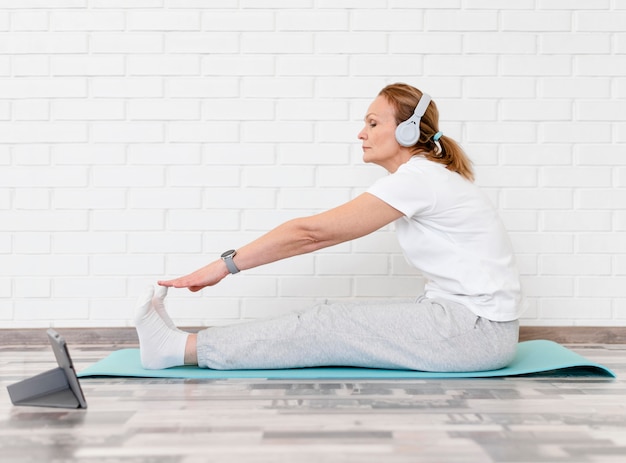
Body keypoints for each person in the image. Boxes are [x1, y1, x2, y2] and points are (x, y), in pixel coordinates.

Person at [134, 82, 522, 372]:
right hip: (467, 324)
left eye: (373, 123)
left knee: (328, 322)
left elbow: (310, 234)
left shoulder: (419, 179)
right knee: (338, 321)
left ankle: (178, 349)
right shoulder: (425, 177)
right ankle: (184, 345)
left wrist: (224, 265)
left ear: (407, 131)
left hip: (477, 332)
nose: (361, 133)